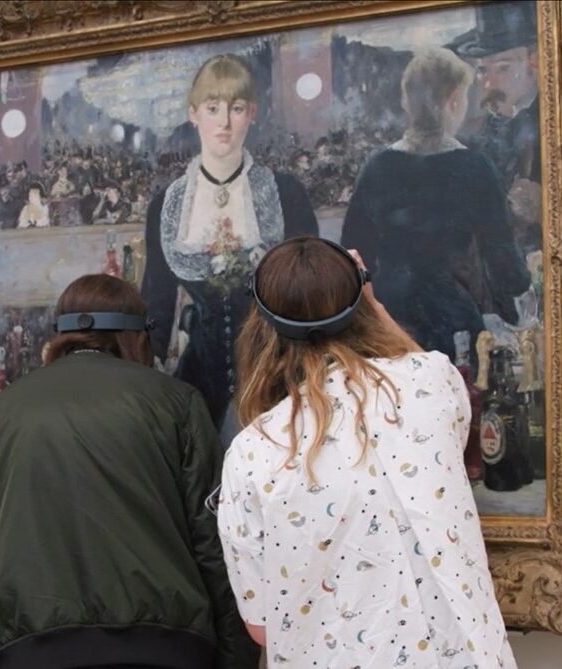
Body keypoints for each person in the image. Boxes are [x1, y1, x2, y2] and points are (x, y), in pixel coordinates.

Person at [217, 238, 516, 667]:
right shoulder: (429, 382)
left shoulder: (251, 452)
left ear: (262, 325)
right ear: (362, 304)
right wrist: (370, 303)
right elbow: (426, 374)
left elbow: (262, 626)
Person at [0, 274, 258, 669]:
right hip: (162, 650)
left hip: (26, 653)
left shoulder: (0, 415)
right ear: (139, 336)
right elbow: (217, 547)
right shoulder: (177, 404)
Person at [142, 53, 318, 442]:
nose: (223, 122)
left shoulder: (285, 194)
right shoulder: (167, 205)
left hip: (276, 376)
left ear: (251, 114)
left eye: (236, 108)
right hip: (197, 382)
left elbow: (313, 295)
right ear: (194, 114)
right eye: (212, 108)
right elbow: (155, 300)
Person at [340, 47, 530, 369]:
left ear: (406, 102)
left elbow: (352, 257)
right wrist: (521, 295)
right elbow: (502, 262)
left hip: (386, 325)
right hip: (451, 321)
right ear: (454, 101)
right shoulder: (475, 168)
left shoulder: (377, 167)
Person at [449, 0, 542, 255]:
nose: (488, 84)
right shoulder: (472, 137)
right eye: (481, 71)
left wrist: (546, 209)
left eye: (502, 67)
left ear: (533, 63)